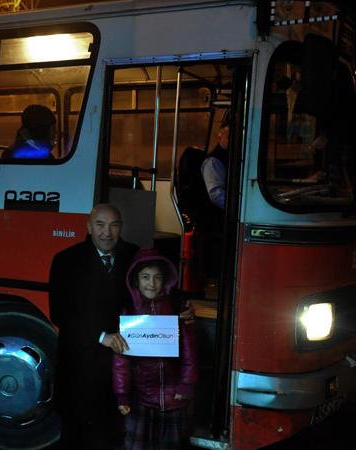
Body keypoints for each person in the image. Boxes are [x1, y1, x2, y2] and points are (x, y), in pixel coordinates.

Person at [48, 204, 195, 449]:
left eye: (114, 225)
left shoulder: (132, 254)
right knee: (76, 434)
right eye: (100, 225)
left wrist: (182, 305)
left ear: (121, 227)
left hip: (123, 363)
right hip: (80, 364)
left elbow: (156, 284)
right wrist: (101, 336)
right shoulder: (66, 260)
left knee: (115, 434)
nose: (107, 232)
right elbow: (60, 313)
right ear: (89, 227)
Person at [113, 248, 198, 450]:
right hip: (142, 399)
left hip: (175, 398)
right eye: (145, 277)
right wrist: (122, 395)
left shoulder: (177, 309)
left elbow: (190, 352)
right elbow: (120, 361)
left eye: (157, 277)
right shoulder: (129, 314)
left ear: (165, 280)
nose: (151, 283)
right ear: (135, 280)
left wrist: (186, 385)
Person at [201, 123, 229, 210]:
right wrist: (238, 209)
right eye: (229, 137)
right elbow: (216, 195)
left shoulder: (232, 157)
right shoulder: (213, 162)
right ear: (220, 138)